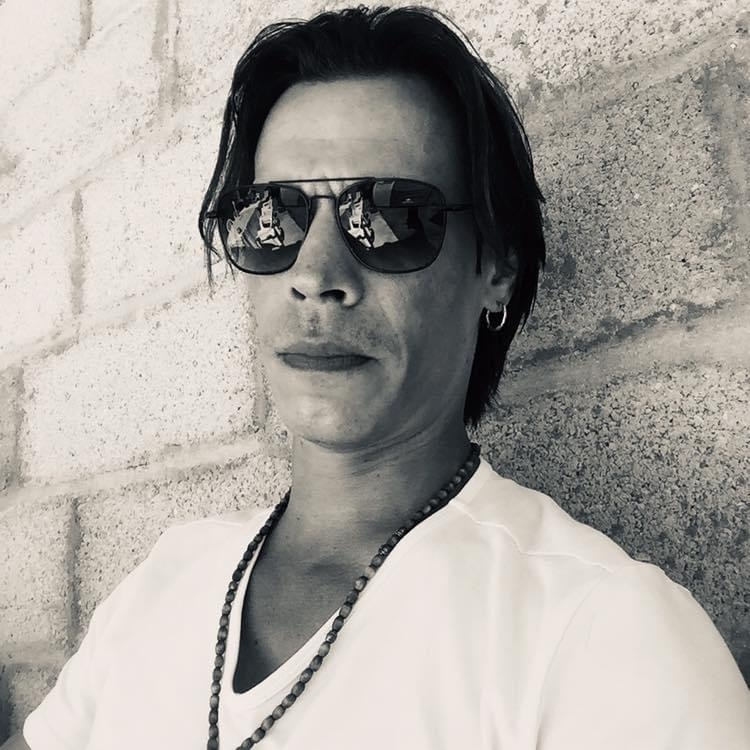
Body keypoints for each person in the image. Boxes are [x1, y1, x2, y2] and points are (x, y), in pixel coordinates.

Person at [7, 5, 750, 749]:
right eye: (272, 217)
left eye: (393, 217)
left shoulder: (603, 638)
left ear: (495, 267)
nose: (315, 274)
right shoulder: (166, 577)